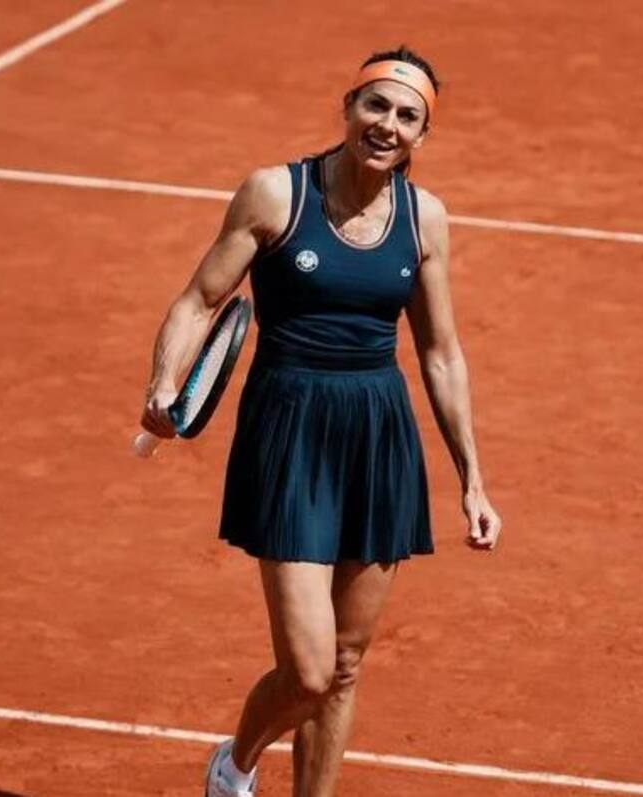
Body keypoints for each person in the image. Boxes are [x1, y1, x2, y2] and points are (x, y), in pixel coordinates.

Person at [139, 46, 502, 797]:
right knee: (307, 668)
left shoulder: (425, 217)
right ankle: (234, 764)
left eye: (408, 116)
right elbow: (200, 300)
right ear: (348, 107)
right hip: (291, 432)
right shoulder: (276, 194)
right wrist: (164, 379)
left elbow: (439, 352)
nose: (388, 125)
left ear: (422, 136)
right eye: (376, 105)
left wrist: (473, 477)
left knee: (344, 666)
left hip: (378, 435)